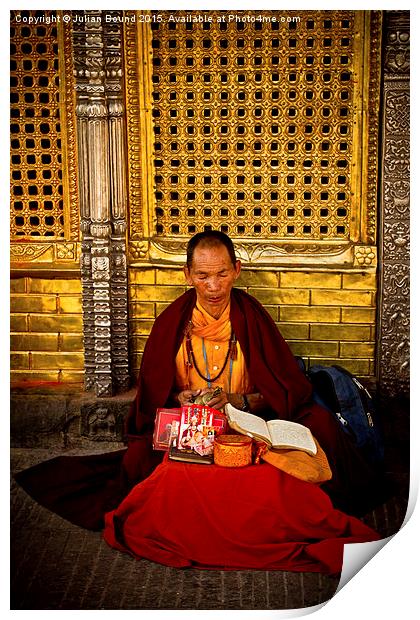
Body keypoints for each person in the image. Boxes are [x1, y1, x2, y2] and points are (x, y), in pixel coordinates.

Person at [16, 231, 385, 573]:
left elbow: (284, 391)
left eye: (222, 274)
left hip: (246, 423)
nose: (213, 286)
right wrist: (182, 396)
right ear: (187, 274)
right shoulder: (171, 323)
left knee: (318, 427)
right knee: (140, 459)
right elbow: (155, 394)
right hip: (192, 424)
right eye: (203, 275)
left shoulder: (252, 318)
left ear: (237, 271)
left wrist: (238, 399)